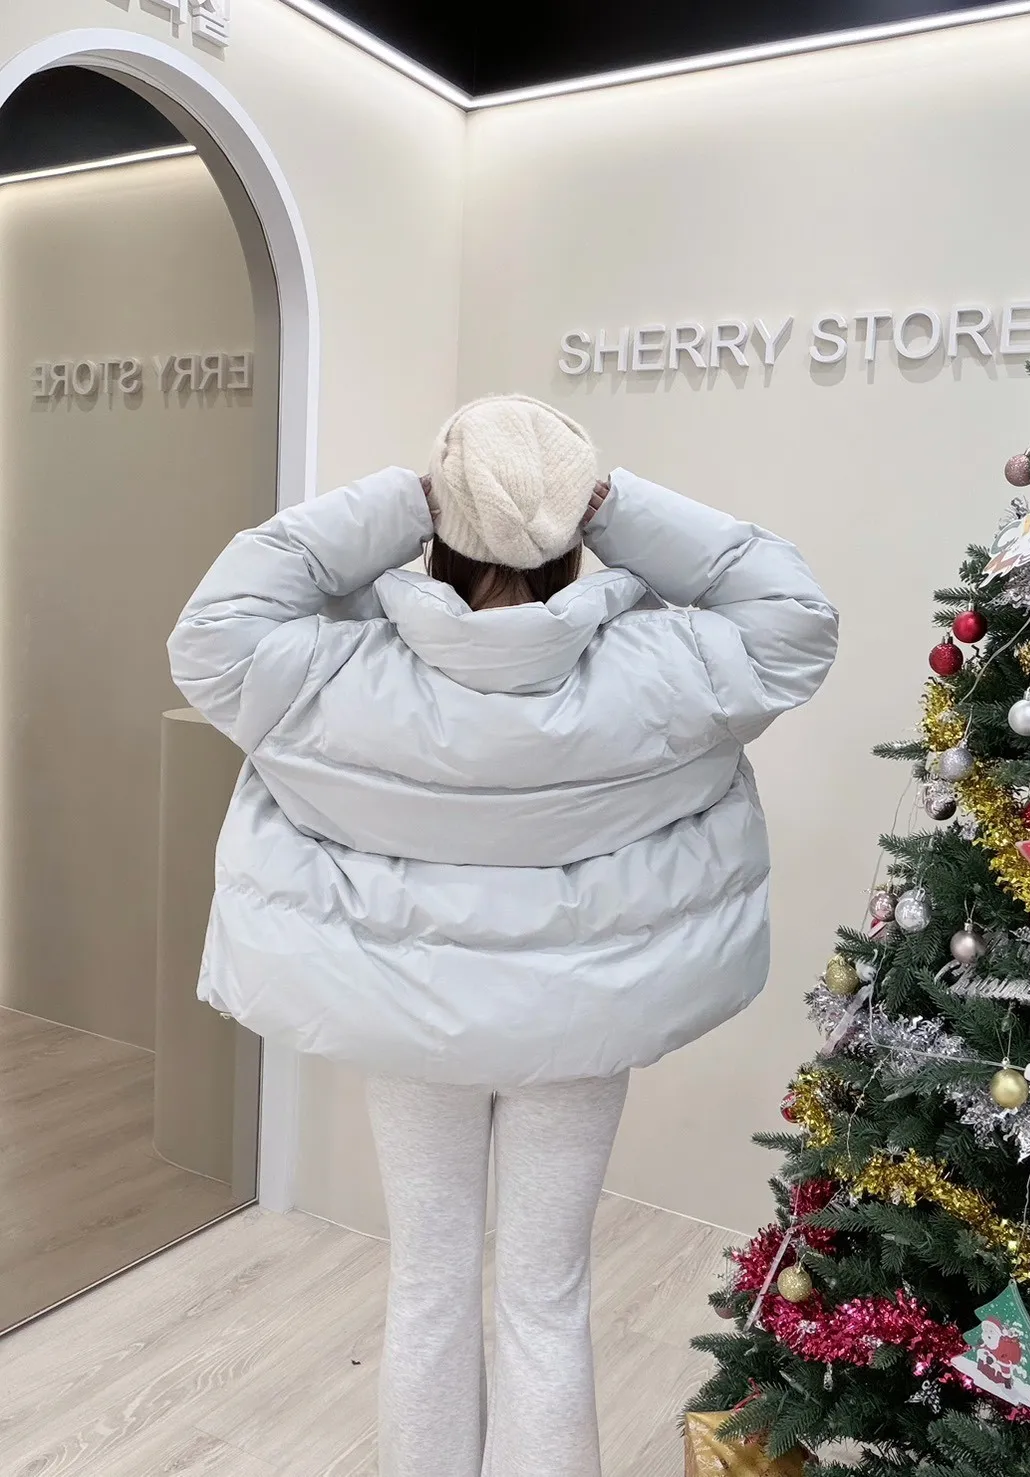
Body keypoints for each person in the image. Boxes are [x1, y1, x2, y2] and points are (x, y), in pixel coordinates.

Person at [168, 394, 838, 1477]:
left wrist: (402, 500)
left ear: (439, 526)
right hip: (580, 1025)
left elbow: (217, 623)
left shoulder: (335, 676)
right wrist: (614, 508)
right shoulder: (663, 668)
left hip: (411, 1023)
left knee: (428, 1282)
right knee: (547, 1291)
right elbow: (793, 612)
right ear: (575, 528)